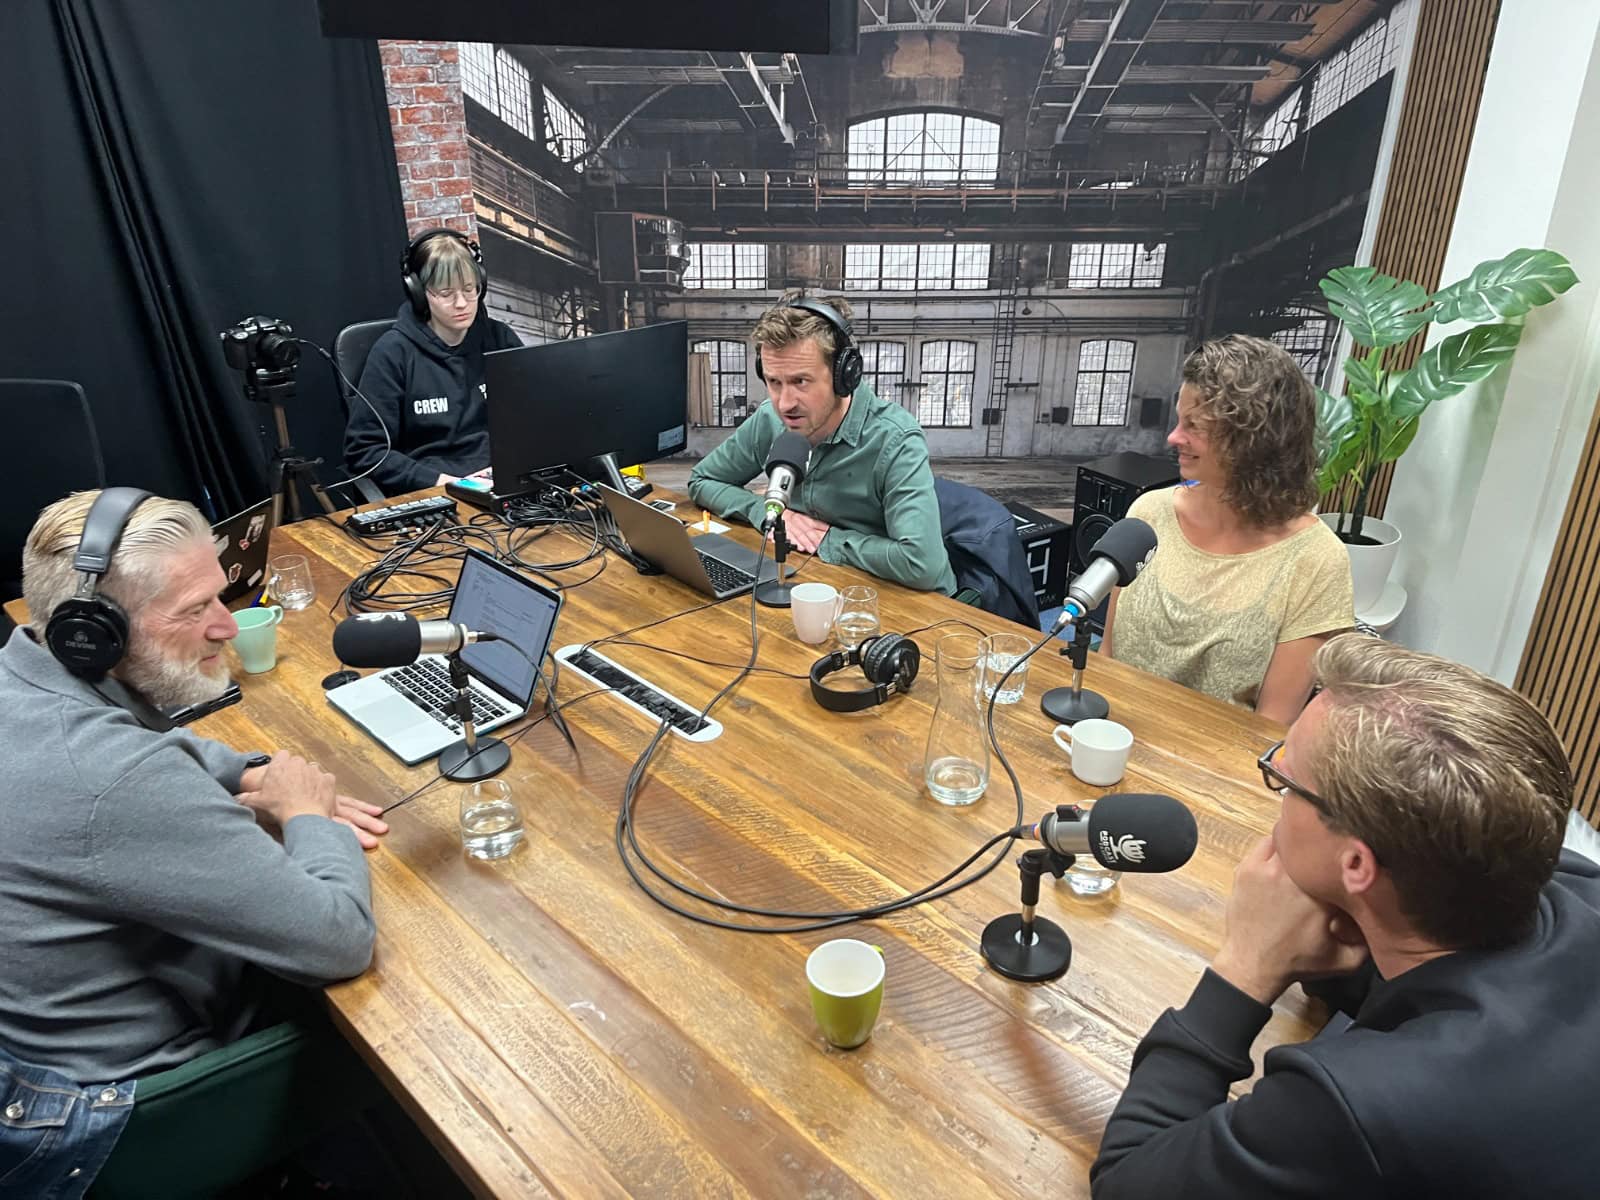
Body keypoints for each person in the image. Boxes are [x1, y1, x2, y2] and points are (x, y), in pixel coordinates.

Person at [1091, 634, 1600, 1198]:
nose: (1274, 781)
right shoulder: (1568, 880)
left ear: (1357, 863)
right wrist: (1351, 931)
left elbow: (1127, 1183)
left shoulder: (1361, 1104)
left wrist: (1245, 968)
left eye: (1285, 779)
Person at [0, 489, 386, 1186]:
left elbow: (140, 742)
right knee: (417, 1024)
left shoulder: (24, 669)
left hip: (43, 1060)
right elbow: (337, 942)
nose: (227, 627)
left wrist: (251, 772)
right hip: (119, 1121)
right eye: (194, 609)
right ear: (95, 632)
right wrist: (307, 815)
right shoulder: (114, 781)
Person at [1102, 334, 1353, 724]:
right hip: (1108, 740)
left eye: (1194, 426)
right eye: (1179, 420)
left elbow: (1271, 726)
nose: (1173, 437)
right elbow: (1107, 660)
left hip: (1216, 759)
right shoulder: (1149, 513)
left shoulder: (1315, 560)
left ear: (1254, 441)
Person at [688, 294, 956, 594]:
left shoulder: (895, 440)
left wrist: (829, 540)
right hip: (814, 579)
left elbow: (922, 564)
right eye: (774, 382)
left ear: (844, 376)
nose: (785, 404)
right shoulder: (769, 419)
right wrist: (769, 513)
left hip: (904, 600)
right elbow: (702, 480)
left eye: (800, 381)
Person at [344, 227, 522, 495]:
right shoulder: (393, 353)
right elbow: (365, 450)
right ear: (418, 292)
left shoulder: (499, 339)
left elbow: (533, 416)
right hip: (435, 488)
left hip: (503, 479)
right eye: (446, 293)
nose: (461, 303)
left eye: (469, 289)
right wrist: (440, 482)